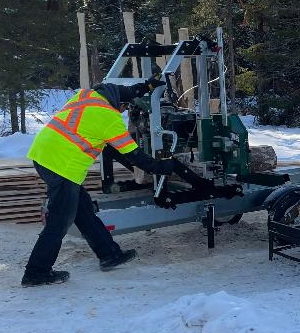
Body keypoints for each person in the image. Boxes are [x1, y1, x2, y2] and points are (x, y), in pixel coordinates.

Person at [22, 79, 182, 287]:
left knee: (84, 211)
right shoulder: (109, 119)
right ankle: (36, 272)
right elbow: (135, 157)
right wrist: (164, 167)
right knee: (59, 221)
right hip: (62, 165)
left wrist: (145, 87)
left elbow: (122, 91)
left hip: (43, 154)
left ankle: (109, 254)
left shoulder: (86, 96)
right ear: (119, 104)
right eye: (125, 107)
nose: (125, 111)